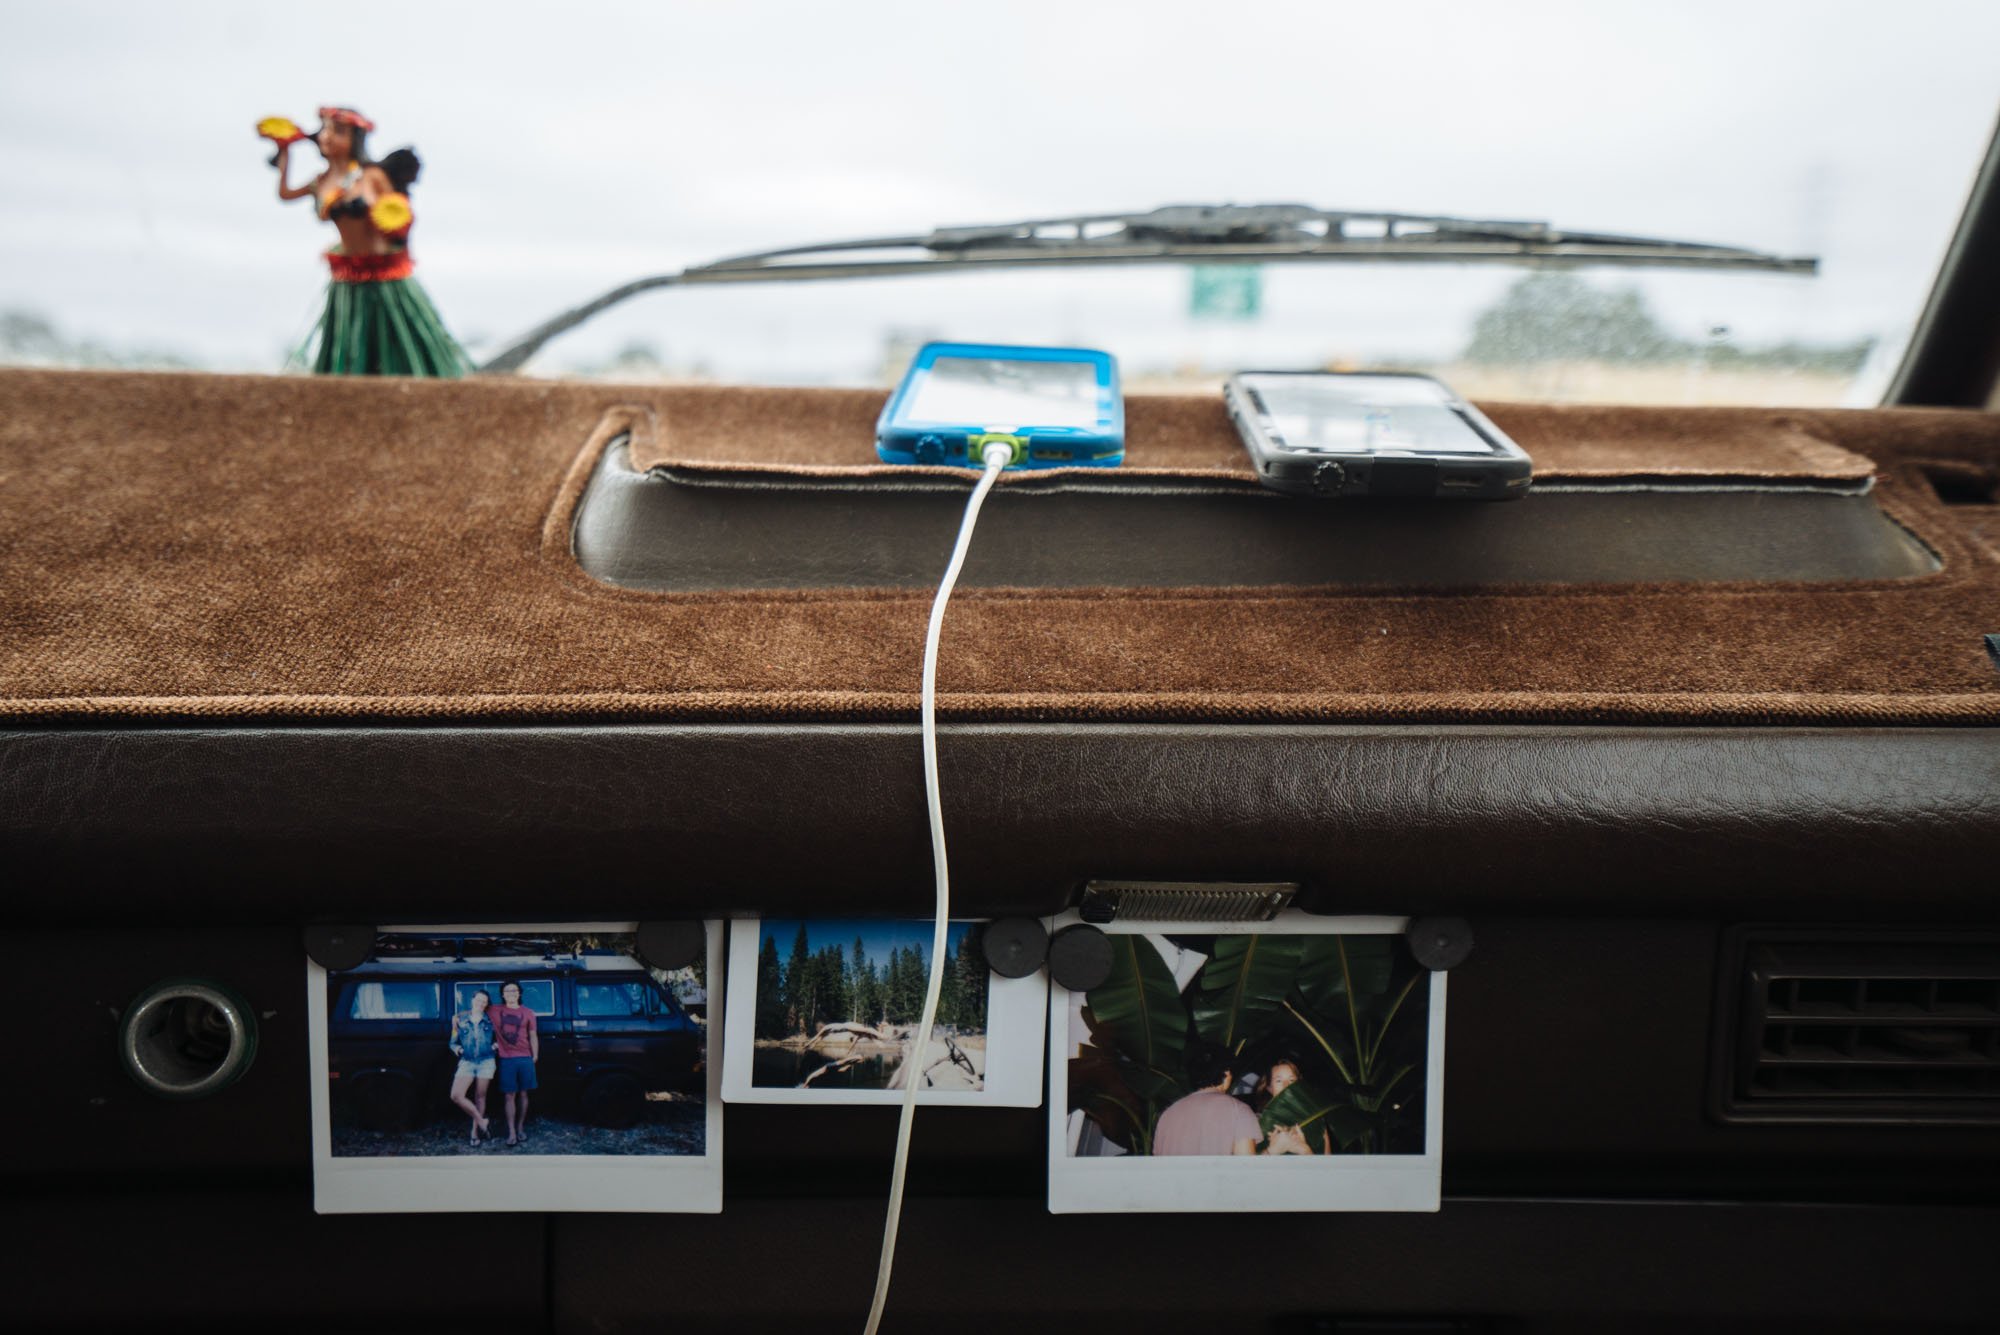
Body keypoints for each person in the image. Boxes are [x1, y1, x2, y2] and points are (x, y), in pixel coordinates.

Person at [268, 105, 471, 376]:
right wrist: (284, 152)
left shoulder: (370, 177)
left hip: (386, 273)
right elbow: (285, 194)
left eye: (338, 131)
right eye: (326, 130)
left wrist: (390, 224)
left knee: (399, 338)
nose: (328, 137)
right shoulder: (322, 182)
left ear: (355, 139)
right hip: (348, 276)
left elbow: (398, 213)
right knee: (348, 340)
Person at [1153, 1043, 1262, 1156]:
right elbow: (1246, 1168)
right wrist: (1271, 1151)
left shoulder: (1168, 1115)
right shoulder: (1239, 1110)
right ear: (1227, 1074)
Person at [489, 980, 539, 1147]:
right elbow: (475, 1009)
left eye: (515, 990)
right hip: (506, 1058)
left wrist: (535, 1055)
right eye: (508, 991)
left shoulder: (529, 1012)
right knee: (509, 1095)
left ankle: (520, 1127)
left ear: (519, 993)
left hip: (525, 1057)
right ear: (503, 994)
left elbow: (533, 1035)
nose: (511, 993)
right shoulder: (494, 1010)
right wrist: (455, 1020)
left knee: (524, 1094)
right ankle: (511, 1131)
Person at [446, 988, 496, 1146]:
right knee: (456, 1095)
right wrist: (458, 1049)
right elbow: (453, 1042)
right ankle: (482, 1121)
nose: (481, 1003)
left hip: (486, 1061)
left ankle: (474, 1133)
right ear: (472, 1000)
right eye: (478, 1000)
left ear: (487, 1004)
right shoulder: (459, 1019)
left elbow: (501, 1038)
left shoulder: (491, 1020)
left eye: (484, 1001)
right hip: (467, 1062)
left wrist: (495, 1045)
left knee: (480, 1096)